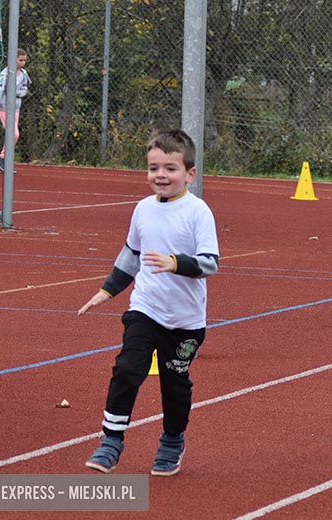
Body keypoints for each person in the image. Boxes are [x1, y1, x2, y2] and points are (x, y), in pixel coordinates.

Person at [79, 129, 220, 476]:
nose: (161, 175)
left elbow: (210, 263)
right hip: (145, 308)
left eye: (170, 169)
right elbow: (131, 254)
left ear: (189, 174)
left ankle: (172, 441)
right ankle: (111, 441)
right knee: (127, 370)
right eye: (154, 168)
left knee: (174, 386)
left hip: (185, 320)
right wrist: (108, 290)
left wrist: (176, 262)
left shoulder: (198, 212)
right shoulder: (142, 209)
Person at [0, 48, 31, 173]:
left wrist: (17, 93)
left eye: (24, 60)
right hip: (4, 107)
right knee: (14, 134)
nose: (23, 63)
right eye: (20, 60)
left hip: (15, 108)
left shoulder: (24, 74)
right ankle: (3, 158)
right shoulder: (6, 74)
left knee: (13, 134)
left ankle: (4, 161)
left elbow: (24, 89)